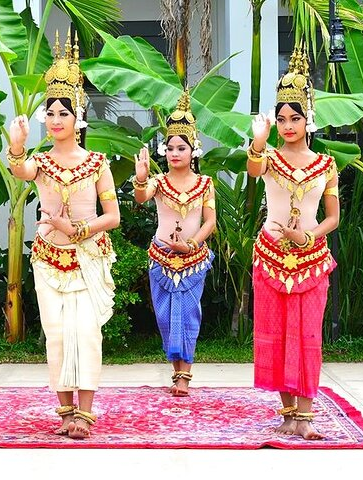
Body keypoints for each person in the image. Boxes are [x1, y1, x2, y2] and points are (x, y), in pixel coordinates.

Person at [7, 31, 120, 439]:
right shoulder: (39, 161)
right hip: (49, 259)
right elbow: (21, 172)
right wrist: (17, 148)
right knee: (57, 333)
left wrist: (79, 229)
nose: (55, 119)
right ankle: (65, 412)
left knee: (86, 333)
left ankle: (85, 415)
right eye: (50, 113)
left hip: (89, 256)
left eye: (63, 113)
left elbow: (114, 216)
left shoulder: (96, 162)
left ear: (78, 117)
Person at [247, 47, 339, 440]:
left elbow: (333, 217)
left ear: (308, 120)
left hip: (312, 259)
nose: (287, 125)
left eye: (294, 118)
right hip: (270, 256)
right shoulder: (267, 156)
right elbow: (253, 171)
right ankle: (287, 413)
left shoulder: (325, 164)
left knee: (307, 335)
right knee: (276, 331)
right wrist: (258, 140)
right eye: (282, 119)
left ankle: (306, 415)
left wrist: (308, 236)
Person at [133, 89, 216, 397]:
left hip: (193, 260)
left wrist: (192, 245)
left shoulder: (205, 184)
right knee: (166, 316)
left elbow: (210, 222)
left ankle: (185, 375)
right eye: (170, 149)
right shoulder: (158, 182)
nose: (174, 153)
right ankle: (175, 369)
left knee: (189, 313)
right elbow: (141, 198)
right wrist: (141, 177)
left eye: (181, 148)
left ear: (194, 150)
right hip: (162, 258)